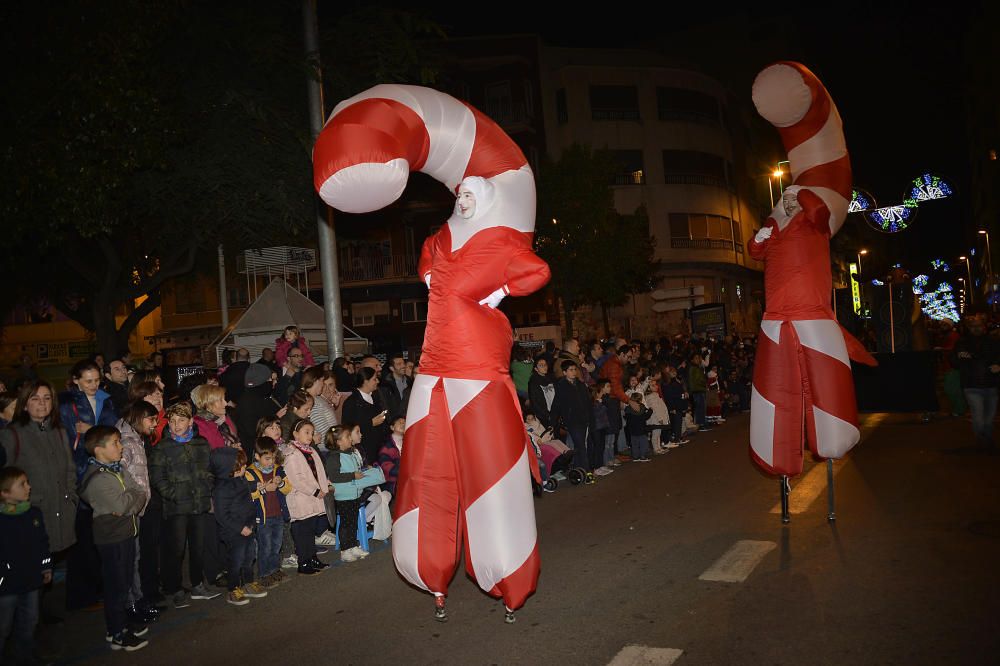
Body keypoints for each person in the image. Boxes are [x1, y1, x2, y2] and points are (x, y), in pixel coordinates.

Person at [78, 426, 150, 651]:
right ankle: (119, 632)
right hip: (113, 539)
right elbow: (124, 504)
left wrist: (130, 500)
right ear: (99, 450)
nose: (121, 447)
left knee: (124, 582)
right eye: (116, 443)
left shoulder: (116, 469)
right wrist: (131, 500)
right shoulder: (99, 479)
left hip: (126, 532)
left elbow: (139, 492)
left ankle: (116, 626)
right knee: (117, 586)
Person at [148, 402, 219, 609]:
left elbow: (209, 469)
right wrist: (173, 494)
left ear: (190, 422)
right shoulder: (163, 447)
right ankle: (176, 588)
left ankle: (197, 584)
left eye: (181, 420)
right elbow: (158, 477)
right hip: (176, 506)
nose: (176, 425)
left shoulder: (201, 443)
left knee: (197, 547)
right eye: (172, 421)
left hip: (199, 504)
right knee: (176, 549)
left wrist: (207, 486)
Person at [0, 467, 52, 664]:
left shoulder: (33, 514)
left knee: (29, 620)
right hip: (6, 586)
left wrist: (46, 566)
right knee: (3, 626)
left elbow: (43, 545)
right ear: (4, 493)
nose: (28, 487)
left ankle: (26, 656)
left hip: (31, 580)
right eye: (22, 484)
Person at [115, 401, 160, 624]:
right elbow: (118, 473)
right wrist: (132, 501)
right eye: (151, 419)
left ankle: (139, 600)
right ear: (139, 417)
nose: (155, 424)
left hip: (137, 509)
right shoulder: (125, 441)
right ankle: (130, 605)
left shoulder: (134, 437)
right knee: (129, 560)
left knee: (136, 556)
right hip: (128, 510)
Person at [209, 447, 267, 607]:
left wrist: (257, 486)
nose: (244, 467)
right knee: (236, 560)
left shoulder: (239, 479)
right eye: (240, 466)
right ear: (228, 469)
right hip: (234, 531)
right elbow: (221, 515)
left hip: (248, 525)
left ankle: (249, 583)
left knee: (249, 557)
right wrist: (240, 528)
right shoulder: (221, 489)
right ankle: (233, 588)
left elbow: (248, 486)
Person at [282, 419, 330, 576]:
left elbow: (319, 472)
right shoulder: (291, 453)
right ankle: (303, 562)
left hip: (313, 499)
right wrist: (315, 491)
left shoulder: (311, 450)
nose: (310, 436)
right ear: (295, 434)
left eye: (312, 432)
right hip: (301, 499)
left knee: (310, 532)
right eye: (306, 432)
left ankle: (312, 558)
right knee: (302, 533)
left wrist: (326, 485)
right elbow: (296, 479)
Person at [60, 359, 119, 481]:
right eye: (88, 381)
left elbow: (114, 429)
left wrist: (92, 430)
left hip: (106, 459)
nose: (94, 385)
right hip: (79, 462)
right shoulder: (66, 403)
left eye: (97, 380)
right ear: (76, 380)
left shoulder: (106, 400)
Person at [245, 437, 291, 588]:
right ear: (257, 456)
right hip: (263, 517)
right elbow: (248, 495)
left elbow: (288, 488)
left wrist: (281, 483)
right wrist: (264, 489)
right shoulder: (250, 473)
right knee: (265, 546)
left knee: (276, 545)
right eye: (267, 458)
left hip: (278, 514)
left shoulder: (277, 469)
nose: (271, 462)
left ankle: (274, 569)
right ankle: (264, 574)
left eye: (273, 458)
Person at [951, 314, 1000, 450]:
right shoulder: (962, 342)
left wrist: (998, 366)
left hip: (991, 384)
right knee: (978, 417)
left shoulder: (993, 342)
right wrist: (960, 357)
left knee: (989, 419)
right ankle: (982, 439)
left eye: (978, 326)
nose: (976, 329)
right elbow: (954, 362)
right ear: (969, 328)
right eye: (973, 326)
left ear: (984, 326)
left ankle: (986, 438)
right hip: (972, 385)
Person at [324, 424, 370, 563]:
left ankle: (353, 545)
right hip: (343, 496)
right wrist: (352, 476)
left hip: (354, 494)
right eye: (347, 437)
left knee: (352, 522)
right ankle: (345, 550)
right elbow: (334, 476)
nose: (350, 439)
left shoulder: (350, 453)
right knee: (345, 523)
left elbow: (355, 470)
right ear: (338, 442)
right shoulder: (334, 457)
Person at [550, 361, 593, 473]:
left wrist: (590, 416)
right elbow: (556, 405)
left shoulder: (580, 384)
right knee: (580, 445)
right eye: (571, 370)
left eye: (575, 369)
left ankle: (578, 470)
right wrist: (553, 422)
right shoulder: (561, 387)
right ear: (564, 372)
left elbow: (587, 402)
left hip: (583, 419)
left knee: (580, 445)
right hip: (572, 421)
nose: (574, 372)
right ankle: (586, 470)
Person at [233, 363, 280, 461]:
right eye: (269, 380)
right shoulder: (247, 402)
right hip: (256, 454)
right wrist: (275, 418)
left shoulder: (260, 397)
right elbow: (252, 430)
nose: (272, 383)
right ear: (260, 381)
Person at [341, 367, 387, 464]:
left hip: (379, 446)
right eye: (374, 379)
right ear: (365, 381)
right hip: (363, 449)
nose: (377, 381)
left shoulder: (376, 397)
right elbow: (347, 427)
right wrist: (371, 423)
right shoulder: (352, 402)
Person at [191, 384, 239, 451]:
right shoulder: (200, 425)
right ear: (208, 404)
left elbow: (234, 438)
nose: (225, 403)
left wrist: (232, 447)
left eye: (224, 399)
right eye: (220, 400)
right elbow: (212, 455)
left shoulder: (220, 418)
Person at [303, 367, 338, 449]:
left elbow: (330, 422)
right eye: (322, 381)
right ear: (316, 381)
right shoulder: (312, 402)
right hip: (326, 449)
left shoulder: (317, 399)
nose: (323, 386)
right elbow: (323, 431)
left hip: (329, 446)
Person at [661, 368, 689, 447]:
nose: (674, 373)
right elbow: (670, 396)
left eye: (674, 371)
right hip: (675, 405)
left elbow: (680, 391)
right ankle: (676, 438)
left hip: (679, 404)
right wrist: (672, 407)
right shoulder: (668, 383)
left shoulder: (676, 381)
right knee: (676, 422)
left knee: (679, 422)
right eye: (672, 372)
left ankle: (678, 437)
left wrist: (684, 394)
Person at [378, 416, 405, 496]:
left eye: (404, 422)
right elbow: (387, 468)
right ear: (392, 427)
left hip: (406, 480)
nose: (403, 424)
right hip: (393, 484)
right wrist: (406, 472)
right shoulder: (387, 447)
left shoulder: (409, 443)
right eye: (400, 422)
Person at [380, 354, 411, 422]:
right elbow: (385, 406)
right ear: (392, 368)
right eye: (399, 364)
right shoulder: (385, 385)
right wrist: (392, 422)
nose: (403, 366)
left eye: (403, 363)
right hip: (395, 422)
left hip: (410, 419)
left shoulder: (410, 381)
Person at [527, 358, 555, 428]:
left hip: (555, 411)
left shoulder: (551, 378)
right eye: (541, 365)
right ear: (536, 369)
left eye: (545, 364)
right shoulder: (533, 382)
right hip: (544, 415)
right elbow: (535, 402)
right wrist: (546, 415)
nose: (544, 367)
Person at [624, 392, 653, 462]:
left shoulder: (628, 409)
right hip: (642, 429)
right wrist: (650, 411)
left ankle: (636, 456)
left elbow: (626, 418)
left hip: (632, 430)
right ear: (640, 400)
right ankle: (643, 456)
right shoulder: (642, 407)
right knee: (643, 443)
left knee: (634, 443)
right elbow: (645, 417)